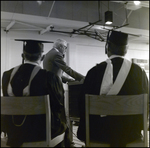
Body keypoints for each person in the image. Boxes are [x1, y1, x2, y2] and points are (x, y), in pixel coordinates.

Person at [77, 30, 149, 147]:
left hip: (98, 134)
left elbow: (81, 105)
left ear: (107, 47)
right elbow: (147, 104)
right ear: (126, 49)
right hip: (129, 134)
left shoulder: (93, 72)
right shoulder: (139, 73)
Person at [1, 39, 70, 147]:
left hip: (14, 132)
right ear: (42, 58)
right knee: (64, 124)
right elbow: (58, 108)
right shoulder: (49, 77)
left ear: (22, 56)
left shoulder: (7, 76)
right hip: (41, 133)